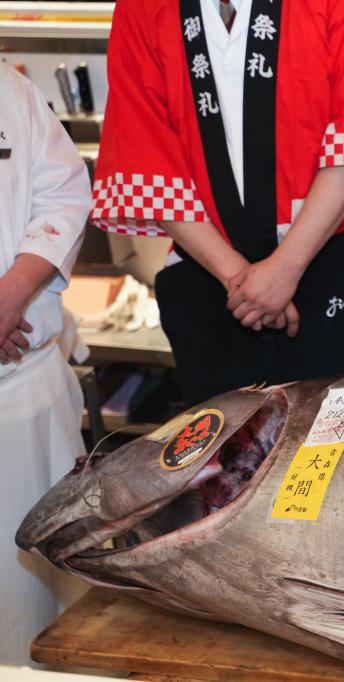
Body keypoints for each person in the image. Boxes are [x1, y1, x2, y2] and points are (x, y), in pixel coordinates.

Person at [92, 0, 344, 405]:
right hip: (212, 284)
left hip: (328, 271)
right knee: (228, 458)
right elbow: (148, 163)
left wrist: (285, 268)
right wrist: (241, 281)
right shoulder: (140, 9)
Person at [0, 64, 92, 665]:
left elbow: (64, 192)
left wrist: (10, 296)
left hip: (25, 396)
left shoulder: (11, 89)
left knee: (53, 615)